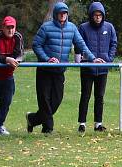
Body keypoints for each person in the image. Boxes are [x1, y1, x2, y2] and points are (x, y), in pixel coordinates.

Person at [27, 2, 103, 134]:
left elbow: (81, 45)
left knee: (56, 101)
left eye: (65, 13)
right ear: (56, 14)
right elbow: (36, 45)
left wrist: (92, 58)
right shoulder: (46, 27)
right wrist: (47, 59)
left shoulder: (72, 28)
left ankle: (32, 119)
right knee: (44, 101)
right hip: (44, 70)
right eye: (60, 13)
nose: (63, 15)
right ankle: (48, 129)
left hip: (59, 71)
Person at [76, 2, 117, 133]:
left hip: (103, 69)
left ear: (103, 15)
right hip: (88, 67)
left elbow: (113, 43)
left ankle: (98, 124)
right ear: (91, 15)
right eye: (95, 15)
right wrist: (82, 59)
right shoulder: (83, 28)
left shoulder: (109, 27)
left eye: (100, 15)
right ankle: (82, 123)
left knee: (100, 96)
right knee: (85, 95)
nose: (98, 17)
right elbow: (79, 44)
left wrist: (109, 59)